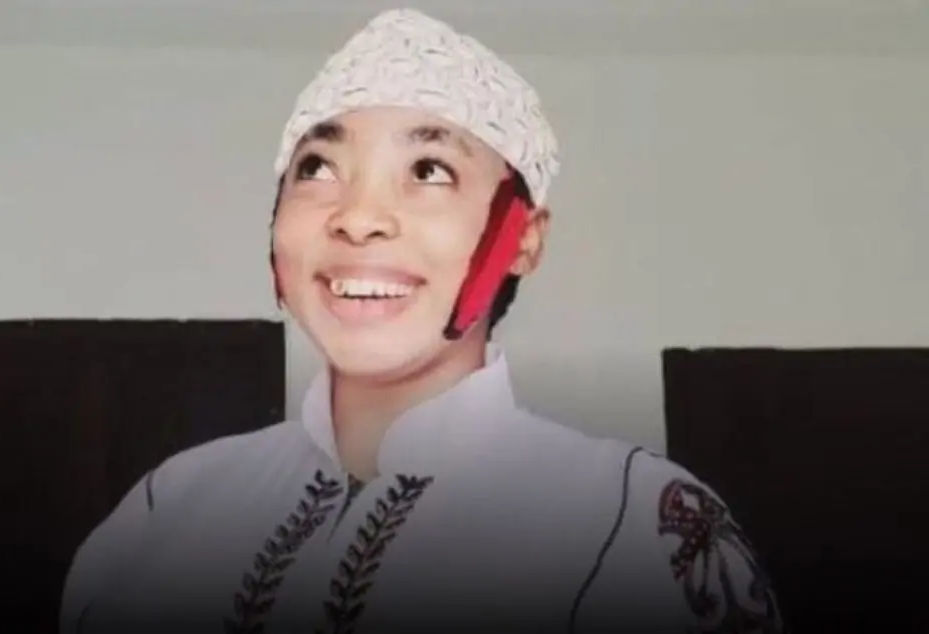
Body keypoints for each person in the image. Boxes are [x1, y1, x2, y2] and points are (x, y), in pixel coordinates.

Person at [60, 8, 784, 634]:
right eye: (318, 168)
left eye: (429, 170)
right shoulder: (165, 511)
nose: (359, 218)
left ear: (524, 237)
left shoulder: (641, 523)